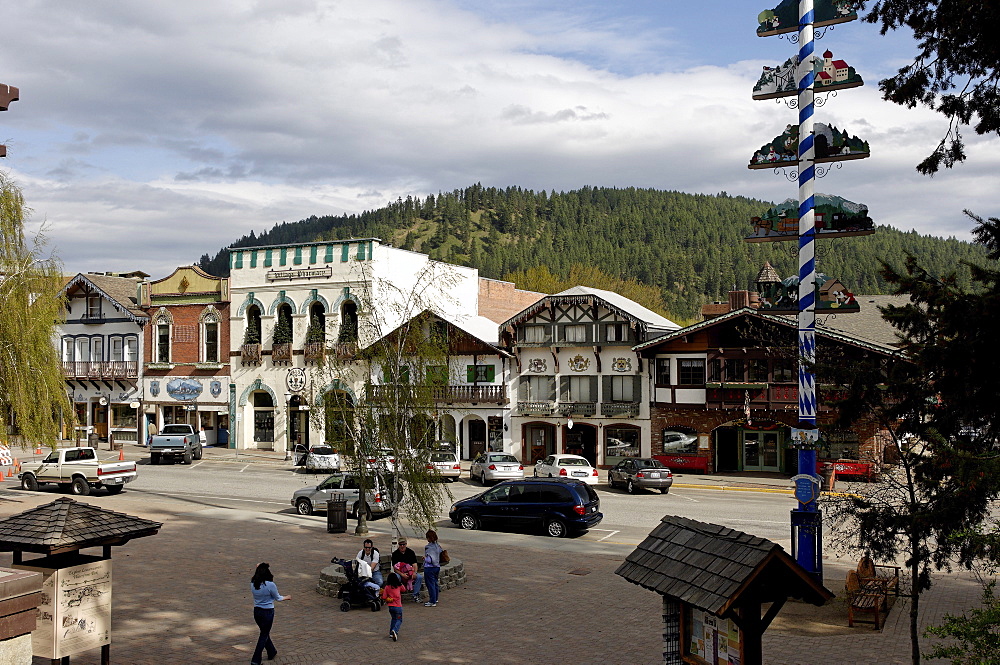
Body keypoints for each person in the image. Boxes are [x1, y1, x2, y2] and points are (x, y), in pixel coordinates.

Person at [249, 562, 291, 665]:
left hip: (257, 612)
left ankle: (272, 651)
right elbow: (278, 598)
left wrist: (259, 566)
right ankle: (255, 660)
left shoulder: (253, 583)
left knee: (264, 632)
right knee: (263, 634)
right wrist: (287, 597)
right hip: (267, 612)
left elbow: (257, 571)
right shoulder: (270, 585)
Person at [390, 537, 422, 603]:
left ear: (406, 544)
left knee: (419, 577)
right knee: (396, 577)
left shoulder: (411, 552)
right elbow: (395, 568)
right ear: (398, 545)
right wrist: (402, 574)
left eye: (403, 544)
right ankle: (397, 595)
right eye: (400, 544)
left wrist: (414, 572)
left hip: (410, 572)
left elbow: (415, 564)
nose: (402, 546)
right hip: (400, 573)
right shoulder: (395, 554)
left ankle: (416, 595)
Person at [422, 529, 443, 607]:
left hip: (429, 568)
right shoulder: (438, 546)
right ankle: (436, 598)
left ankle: (432, 601)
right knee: (435, 583)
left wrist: (425, 559)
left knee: (430, 584)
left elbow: (430, 559)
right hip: (437, 567)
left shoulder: (428, 547)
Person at [380, 572, 404, 641]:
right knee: (399, 619)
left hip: (391, 606)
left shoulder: (387, 587)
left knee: (393, 619)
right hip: (398, 606)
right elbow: (404, 589)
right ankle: (395, 630)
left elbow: (384, 597)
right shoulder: (399, 586)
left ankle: (391, 633)